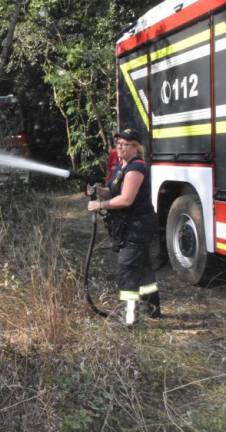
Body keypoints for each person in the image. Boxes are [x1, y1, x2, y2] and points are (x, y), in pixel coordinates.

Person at [87, 128, 160, 325]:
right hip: (132, 225)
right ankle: (152, 310)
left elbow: (126, 199)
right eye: (118, 143)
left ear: (135, 147)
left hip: (137, 226)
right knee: (143, 268)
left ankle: (129, 318)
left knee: (127, 269)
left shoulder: (136, 168)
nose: (120, 146)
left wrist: (99, 205)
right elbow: (113, 192)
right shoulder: (122, 166)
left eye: (125, 144)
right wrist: (98, 191)